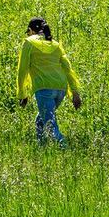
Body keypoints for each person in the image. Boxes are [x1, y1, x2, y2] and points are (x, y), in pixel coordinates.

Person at [16, 17, 82, 147]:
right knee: (41, 120)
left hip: (44, 89)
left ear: (30, 30)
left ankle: (64, 148)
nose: (28, 35)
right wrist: (75, 92)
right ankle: (42, 149)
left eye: (28, 32)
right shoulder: (55, 44)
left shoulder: (29, 42)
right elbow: (68, 69)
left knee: (50, 126)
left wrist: (22, 94)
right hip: (60, 89)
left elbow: (22, 70)